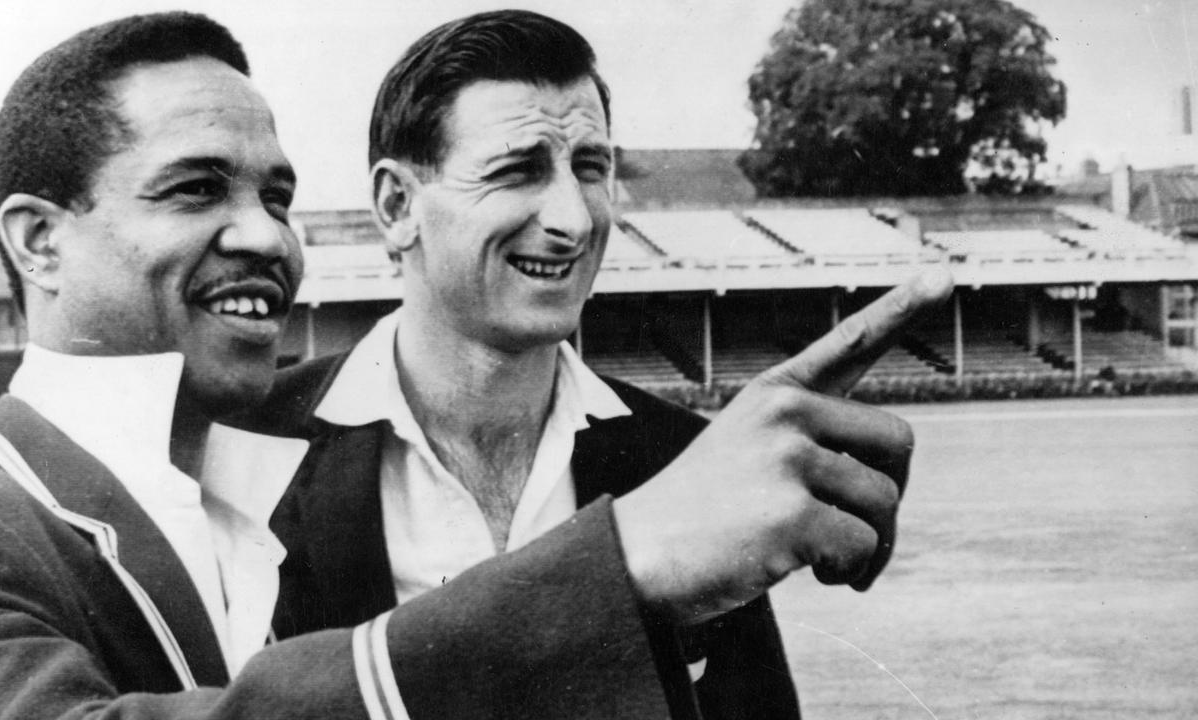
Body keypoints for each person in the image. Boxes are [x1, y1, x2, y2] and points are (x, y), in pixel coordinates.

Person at [0, 12, 728, 719]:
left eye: (277, 199)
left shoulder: (239, 496)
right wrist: (619, 571)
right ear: (38, 241)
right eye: (197, 189)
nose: (269, 239)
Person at [233, 10, 952, 720]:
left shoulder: (683, 458)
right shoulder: (238, 446)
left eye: (590, 168)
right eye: (518, 171)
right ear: (397, 206)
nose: (574, 219)